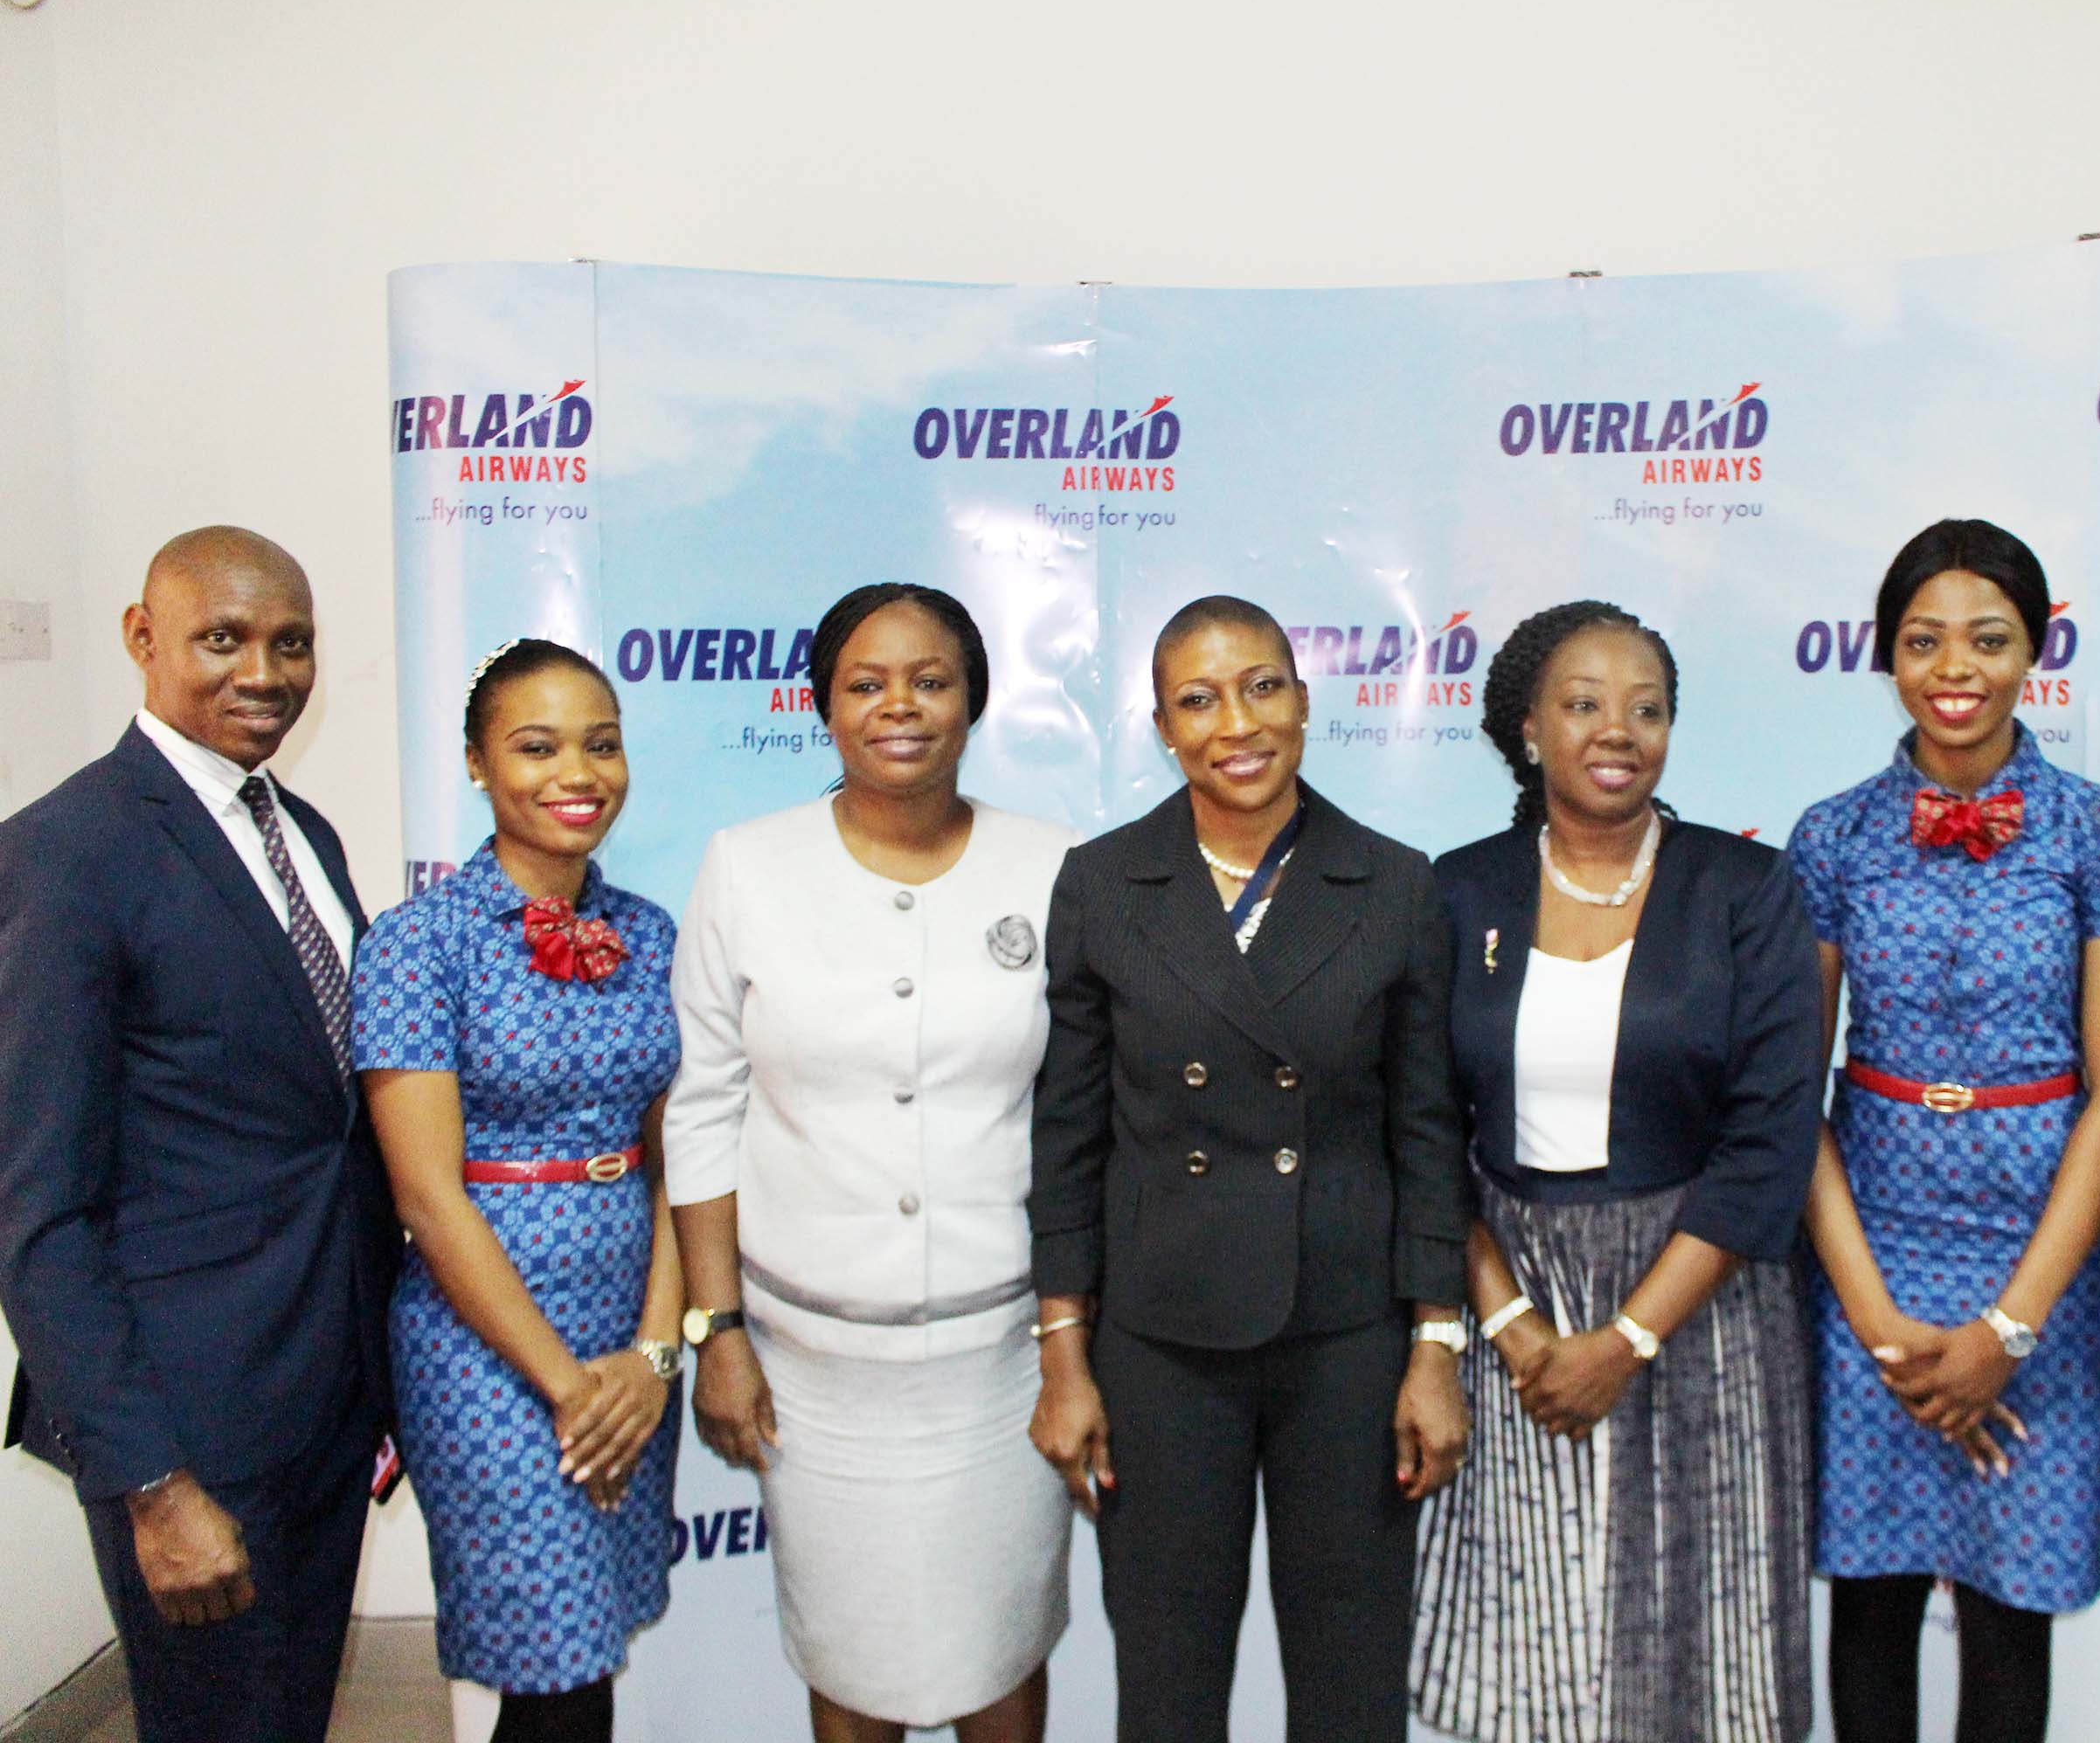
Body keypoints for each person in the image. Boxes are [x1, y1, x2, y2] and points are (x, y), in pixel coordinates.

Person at [1027, 594, 1472, 1743]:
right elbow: (1067, 1140)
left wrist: (1435, 1348)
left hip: (1347, 1341)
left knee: (1352, 1683)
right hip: (1162, 1343)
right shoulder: (1105, 884)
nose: (1238, 721)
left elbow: (1426, 1136)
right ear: (1164, 728)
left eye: (1263, 686)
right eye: (1199, 698)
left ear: (1305, 701)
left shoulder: (1393, 884)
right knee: (1169, 1685)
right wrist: (1064, 1359)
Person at [0, 527, 399, 1743]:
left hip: (325, 1398)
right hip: (189, 1425)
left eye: (292, 643)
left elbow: (327, 1121)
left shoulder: (304, 833)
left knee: (286, 1720)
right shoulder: (67, 853)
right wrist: (150, 1482)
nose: (264, 674)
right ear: (142, 638)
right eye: (223, 639)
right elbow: (36, 1208)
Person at [668, 584, 1076, 1743]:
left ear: (972, 700)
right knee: (849, 1659)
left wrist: (1070, 1342)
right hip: (813, 1368)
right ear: (825, 705)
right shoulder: (748, 867)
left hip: (1000, 1366)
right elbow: (702, 1111)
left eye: (931, 678)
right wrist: (720, 1333)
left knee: (1003, 1650)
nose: (901, 705)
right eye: (866, 681)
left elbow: (1084, 1122)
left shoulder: (1053, 867)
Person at [1411, 601, 1825, 1742]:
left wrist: (1629, 1337)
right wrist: (1511, 1327)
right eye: (1585, 704)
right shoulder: (1457, 891)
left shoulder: (1748, 890)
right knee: (1537, 1642)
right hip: (1516, 1309)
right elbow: (1423, 1128)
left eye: (1648, 708)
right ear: (1529, 728)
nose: (1619, 730)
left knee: (1702, 1643)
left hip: (1702, 1303)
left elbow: (1771, 1137)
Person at [1789, 519, 2100, 1743]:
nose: (1958, 667)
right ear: (1887, 656)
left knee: (2010, 1616)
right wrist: (1879, 1321)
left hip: (2041, 1260)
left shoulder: (2097, 829)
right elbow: (1798, 1087)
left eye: (1989, 639)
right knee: (1873, 1609)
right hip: (1871, 1250)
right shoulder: (1833, 834)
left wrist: (2012, 1325)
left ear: (2036, 651)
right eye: (1924, 640)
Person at [351, 639, 684, 1742]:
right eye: (535, 746)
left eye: (601, 742)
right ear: (476, 763)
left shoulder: (651, 932)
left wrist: (648, 1357)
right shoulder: (416, 945)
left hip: (627, 1330)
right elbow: (426, 1194)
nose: (574, 771)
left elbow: (674, 1158)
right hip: (485, 1347)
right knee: (554, 1666)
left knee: (586, 1666)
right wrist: (567, 1384)